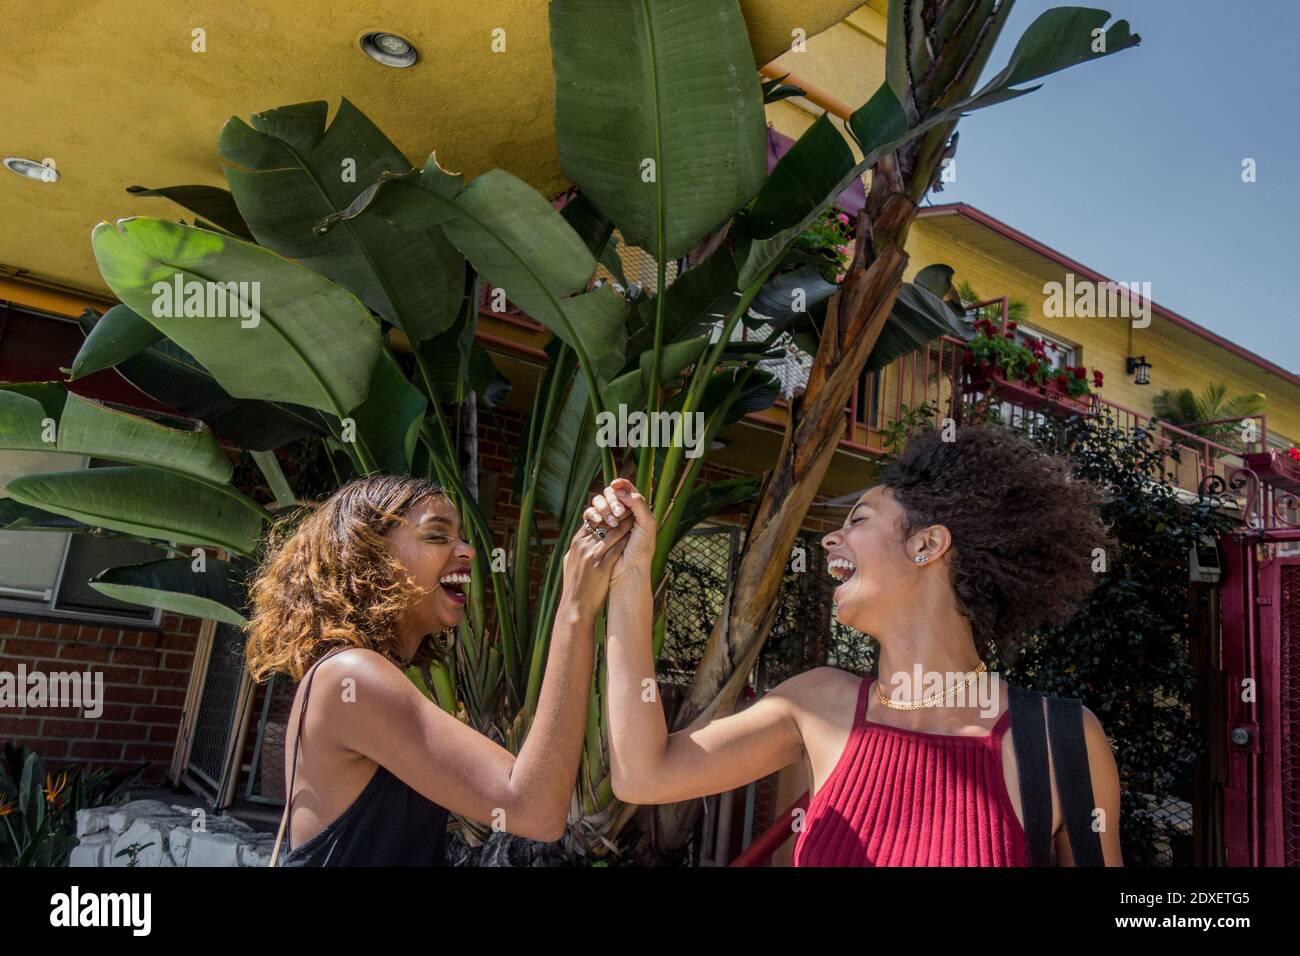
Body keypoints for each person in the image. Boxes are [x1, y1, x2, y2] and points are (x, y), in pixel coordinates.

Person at [594, 425, 1125, 865]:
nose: (830, 539)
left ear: (926, 545)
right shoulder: (816, 701)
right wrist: (629, 579)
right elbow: (644, 775)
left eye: (860, 520)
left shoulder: (1060, 739)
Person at [244, 474, 630, 865]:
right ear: (370, 557)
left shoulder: (353, 674)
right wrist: (576, 608)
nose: (468, 551)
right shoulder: (352, 676)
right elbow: (534, 808)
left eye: (460, 536)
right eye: (436, 535)